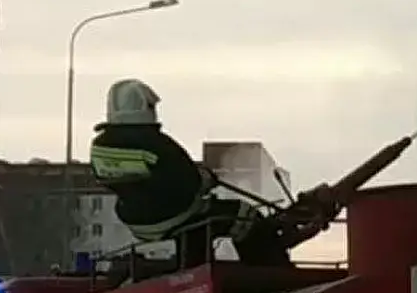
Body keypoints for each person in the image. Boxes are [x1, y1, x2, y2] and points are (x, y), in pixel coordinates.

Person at [88, 79, 284, 268]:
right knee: (245, 216)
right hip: (175, 217)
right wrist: (204, 181)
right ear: (144, 107)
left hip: (135, 220)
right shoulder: (156, 143)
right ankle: (270, 272)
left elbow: (104, 177)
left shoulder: (99, 147)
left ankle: (192, 266)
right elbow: (188, 182)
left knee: (199, 226)